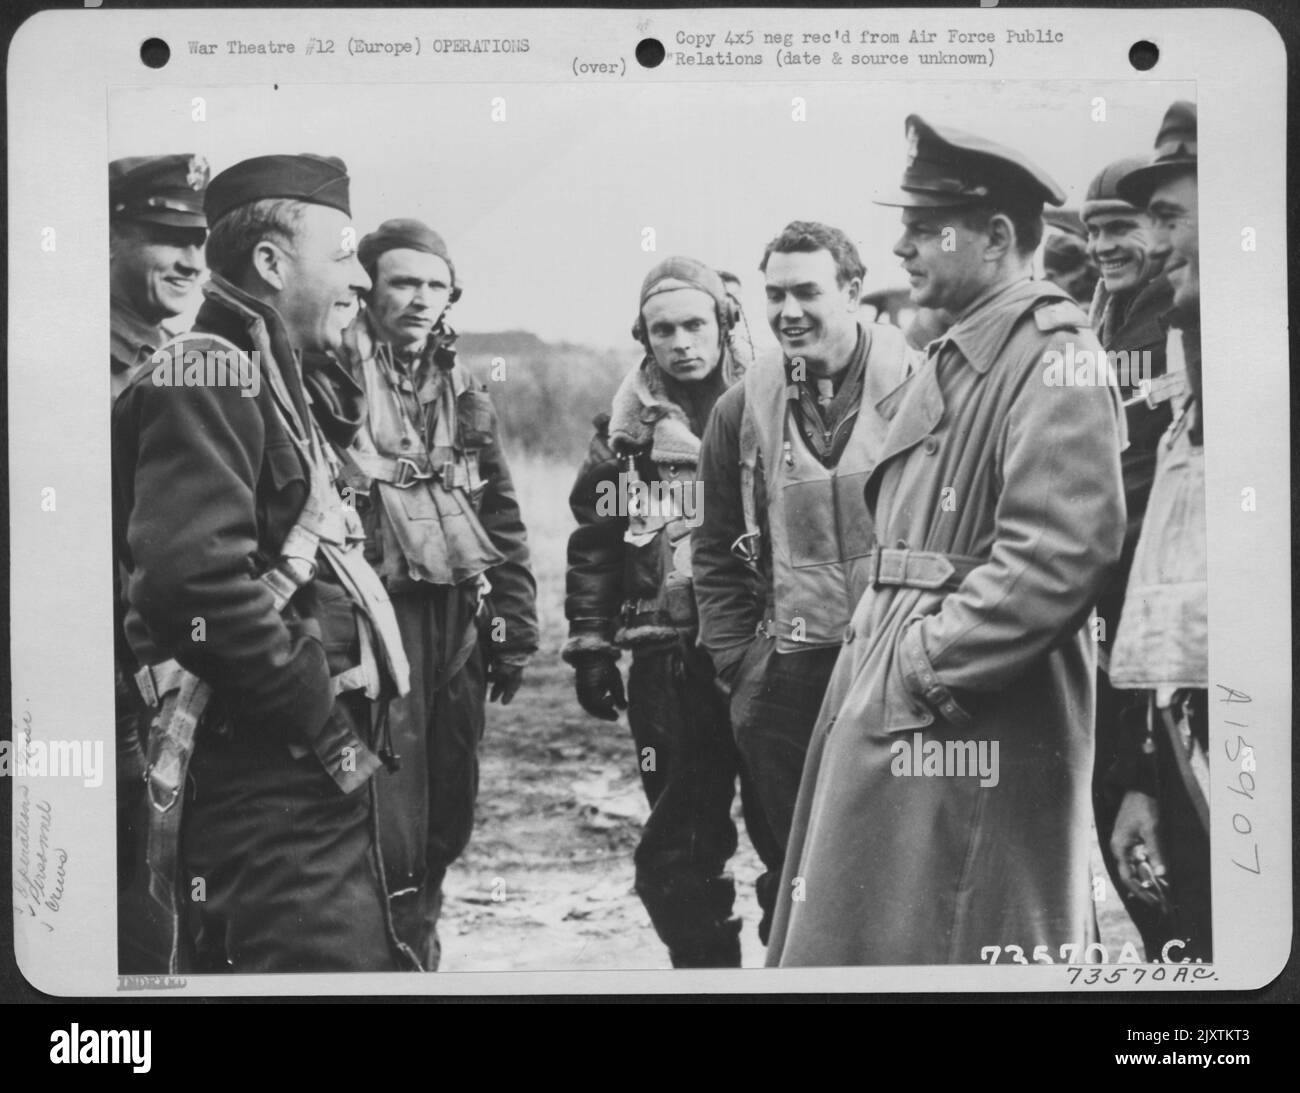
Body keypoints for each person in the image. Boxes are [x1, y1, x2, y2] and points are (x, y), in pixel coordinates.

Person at [767, 117, 1127, 965]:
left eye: (928, 228)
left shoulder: (1052, 352)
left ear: (996, 237)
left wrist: (922, 665)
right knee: (880, 933)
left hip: (966, 708)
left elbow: (1059, 552)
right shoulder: (963, 349)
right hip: (913, 691)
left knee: (952, 933)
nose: (902, 247)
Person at [113, 154, 417, 973]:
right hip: (267, 779)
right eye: (343, 254)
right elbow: (191, 584)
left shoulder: (270, 374)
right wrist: (317, 714)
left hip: (298, 775)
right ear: (273, 263)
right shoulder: (208, 368)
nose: (360, 278)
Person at [693, 221, 916, 943]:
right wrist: (740, 667)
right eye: (775, 295)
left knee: (900, 875)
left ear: (852, 291)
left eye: (807, 293)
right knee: (798, 881)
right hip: (789, 677)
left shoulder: (921, 384)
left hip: (896, 669)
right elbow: (713, 547)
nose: (788, 312)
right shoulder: (740, 406)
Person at [337, 218, 539, 971]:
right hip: (370, 614)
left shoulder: (461, 385)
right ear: (368, 290)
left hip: (454, 616)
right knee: (381, 804)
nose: (421, 299)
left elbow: (499, 509)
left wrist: (514, 623)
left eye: (434, 285)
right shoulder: (328, 373)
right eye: (403, 283)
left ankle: (420, 951)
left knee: (449, 799)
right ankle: (380, 957)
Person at [564, 257, 757, 967]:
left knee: (796, 834)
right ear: (644, 337)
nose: (680, 343)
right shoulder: (625, 440)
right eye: (662, 330)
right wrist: (591, 644)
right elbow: (596, 545)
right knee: (677, 852)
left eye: (694, 325)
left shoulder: (775, 407)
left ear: (724, 324)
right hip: (668, 654)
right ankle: (709, 979)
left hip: (770, 651)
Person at [1108, 101, 1211, 962]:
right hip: (1189, 752)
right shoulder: (1193, 383)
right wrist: (1145, 776)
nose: (1156, 244)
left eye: (1170, 217)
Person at [1079, 154, 1182, 958]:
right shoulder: (1102, 319)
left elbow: (1140, 483)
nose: (1102, 246)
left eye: (1120, 227)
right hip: (1108, 620)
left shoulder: (1176, 321)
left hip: (1159, 621)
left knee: (1162, 827)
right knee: (1119, 810)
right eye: (1092, 231)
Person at [109, 154, 208, 974]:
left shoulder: (167, 356)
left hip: (145, 681)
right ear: (107, 238)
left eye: (199, 242)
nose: (189, 261)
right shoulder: (66, 363)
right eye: (164, 236)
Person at [110, 155, 209, 399]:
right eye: (173, 239)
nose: (194, 265)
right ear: (109, 241)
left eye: (199, 242)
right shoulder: (87, 354)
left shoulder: (178, 351)